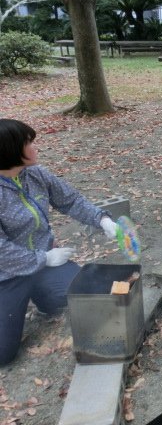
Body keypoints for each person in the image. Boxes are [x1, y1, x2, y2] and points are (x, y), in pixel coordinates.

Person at [0, 119, 119, 365]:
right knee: (3, 353)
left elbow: (71, 200)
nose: (35, 147)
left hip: (45, 264)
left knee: (92, 295)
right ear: (9, 150)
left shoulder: (35, 174)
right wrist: (43, 258)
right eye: (29, 143)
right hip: (7, 275)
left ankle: (44, 297)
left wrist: (103, 220)